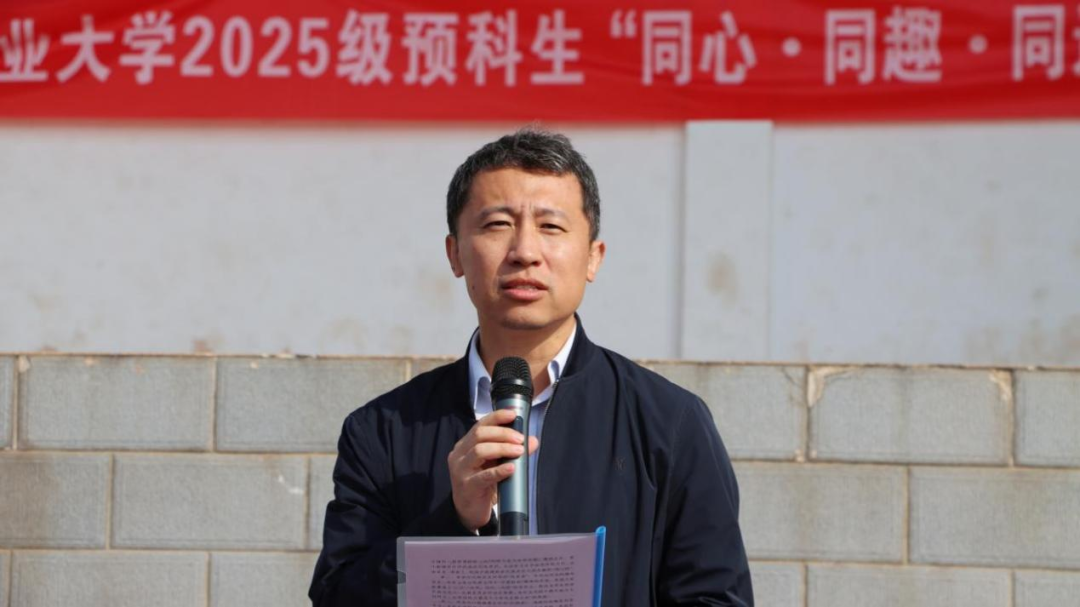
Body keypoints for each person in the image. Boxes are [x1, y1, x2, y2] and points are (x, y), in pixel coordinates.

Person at [309, 128, 753, 606]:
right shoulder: (382, 430)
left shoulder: (669, 423)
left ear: (593, 257)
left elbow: (716, 597)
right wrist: (452, 521)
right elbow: (338, 597)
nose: (524, 251)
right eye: (498, 224)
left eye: (551, 227)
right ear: (455, 253)